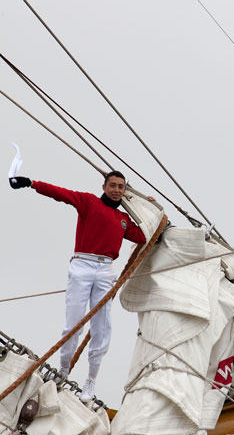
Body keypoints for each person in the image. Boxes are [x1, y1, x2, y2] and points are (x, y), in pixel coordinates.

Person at [10, 171, 146, 402]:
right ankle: (63, 370)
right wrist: (32, 183)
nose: (116, 190)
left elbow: (144, 235)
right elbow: (60, 194)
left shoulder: (123, 219)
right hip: (82, 265)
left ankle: (91, 379)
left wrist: (145, 206)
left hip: (105, 270)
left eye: (121, 187)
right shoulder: (88, 202)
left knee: (102, 327)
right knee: (73, 323)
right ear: (103, 187)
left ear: (125, 191)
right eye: (112, 185)